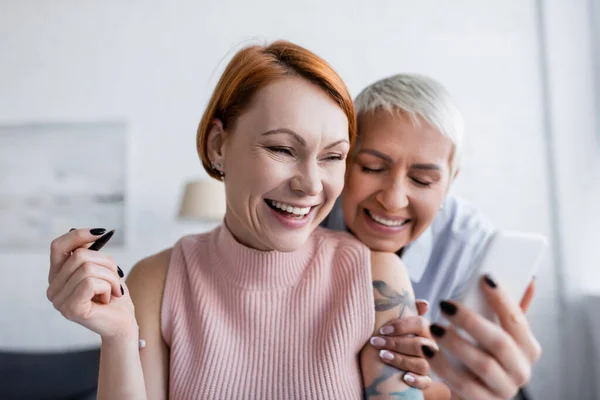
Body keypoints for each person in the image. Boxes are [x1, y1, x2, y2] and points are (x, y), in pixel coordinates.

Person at [45, 42, 425, 399]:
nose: (311, 184)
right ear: (217, 145)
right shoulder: (156, 283)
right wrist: (119, 338)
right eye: (281, 149)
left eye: (333, 156)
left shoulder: (374, 278)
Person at [322, 73, 542, 400]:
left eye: (423, 180)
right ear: (343, 159)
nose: (393, 199)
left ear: (450, 183)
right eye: (370, 167)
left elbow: (471, 379)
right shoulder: (307, 215)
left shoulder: (469, 246)